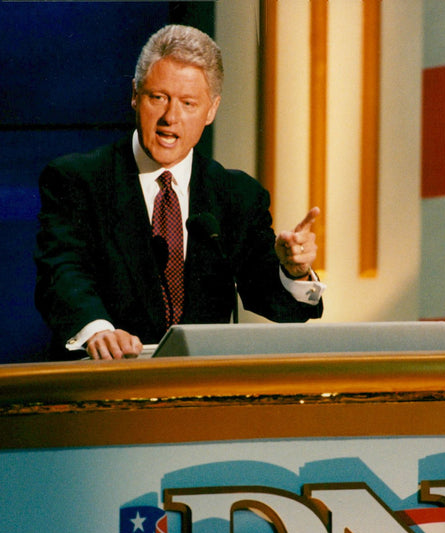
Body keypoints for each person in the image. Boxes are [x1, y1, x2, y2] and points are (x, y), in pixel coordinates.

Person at [35, 24, 325, 360]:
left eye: (188, 103)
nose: (170, 117)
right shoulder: (77, 180)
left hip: (198, 395)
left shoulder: (235, 194)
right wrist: (98, 331)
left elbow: (276, 303)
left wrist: (294, 271)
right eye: (158, 98)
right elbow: (62, 273)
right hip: (107, 382)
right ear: (134, 95)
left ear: (211, 110)